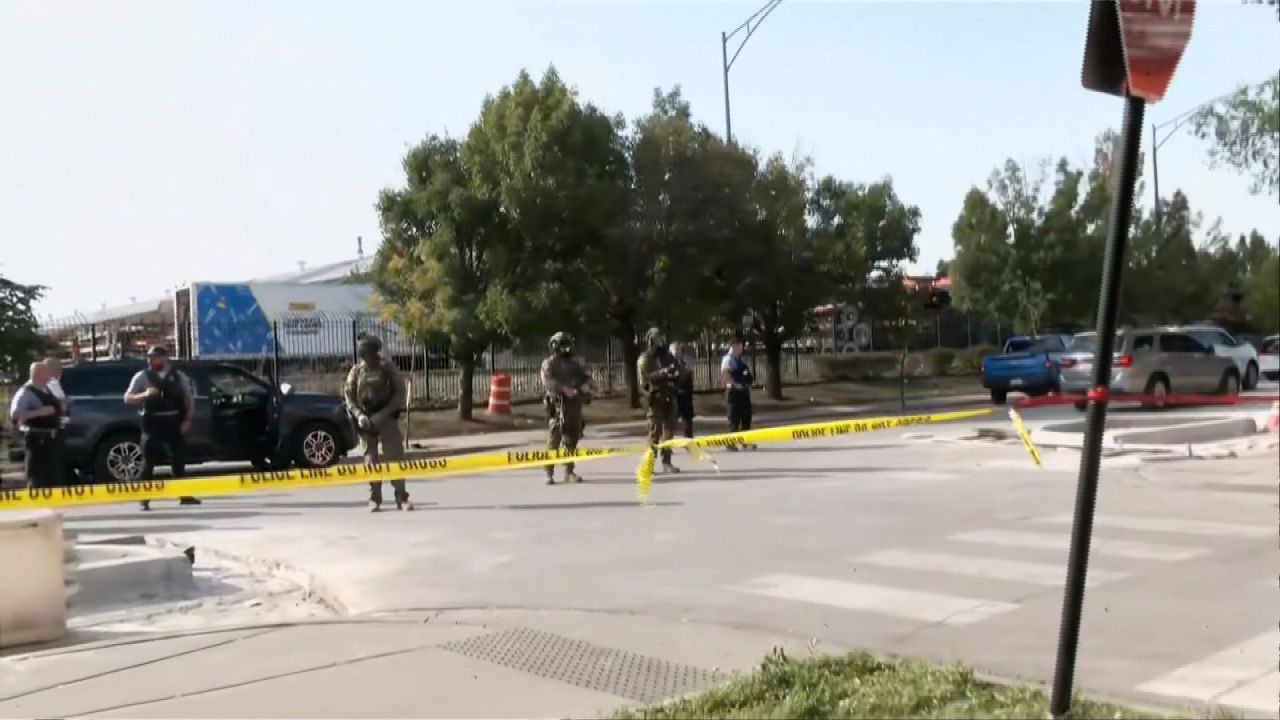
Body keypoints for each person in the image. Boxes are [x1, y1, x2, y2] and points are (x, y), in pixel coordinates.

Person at [123, 346, 201, 510]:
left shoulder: (178, 376)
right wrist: (144, 395)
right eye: (149, 357)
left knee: (178, 459)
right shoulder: (143, 376)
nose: (150, 360)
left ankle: (184, 495)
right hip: (152, 422)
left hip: (173, 420)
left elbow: (189, 399)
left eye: (154, 357)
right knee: (148, 460)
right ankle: (144, 499)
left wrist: (187, 419)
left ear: (165, 358)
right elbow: (127, 398)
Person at [344, 335, 412, 512]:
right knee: (370, 461)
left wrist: (384, 414)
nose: (368, 358)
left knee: (395, 457)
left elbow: (399, 393)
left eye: (371, 354)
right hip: (366, 422)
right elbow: (349, 398)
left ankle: (401, 497)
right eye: (365, 355)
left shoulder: (387, 368)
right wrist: (359, 415)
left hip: (386, 419)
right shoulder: (356, 372)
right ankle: (374, 498)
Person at [540, 332, 593, 485]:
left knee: (572, 440)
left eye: (568, 343)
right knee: (554, 440)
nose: (567, 347)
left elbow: (587, 378)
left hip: (574, 406)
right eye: (563, 344)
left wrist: (587, 385)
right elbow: (548, 380)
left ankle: (569, 471)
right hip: (558, 406)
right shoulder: (549, 363)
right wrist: (564, 389)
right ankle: (549, 472)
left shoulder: (574, 364)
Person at [8, 362, 63, 489]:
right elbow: (15, 415)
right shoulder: (25, 392)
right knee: (37, 477)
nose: (49, 375)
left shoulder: (46, 389)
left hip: (51, 439)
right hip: (36, 440)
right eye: (46, 372)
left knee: (53, 477)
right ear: (39, 374)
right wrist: (40, 412)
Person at [636, 327, 681, 473]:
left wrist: (676, 373)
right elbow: (645, 378)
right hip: (655, 399)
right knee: (655, 431)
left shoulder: (667, 356)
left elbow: (677, 370)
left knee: (669, 431)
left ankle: (667, 462)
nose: (659, 341)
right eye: (656, 339)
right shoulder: (645, 357)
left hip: (670, 396)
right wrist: (662, 373)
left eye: (660, 338)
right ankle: (649, 463)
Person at [721, 336, 758, 451]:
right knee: (734, 418)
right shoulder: (728, 359)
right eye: (740, 346)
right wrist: (735, 384)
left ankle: (745, 440)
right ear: (734, 346)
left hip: (743, 392)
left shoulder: (739, 359)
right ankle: (730, 443)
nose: (742, 348)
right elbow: (725, 373)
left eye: (742, 346)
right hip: (734, 392)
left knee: (746, 416)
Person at [43, 358, 74, 483]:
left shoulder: (49, 384)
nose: (61, 370)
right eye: (58, 367)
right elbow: (61, 405)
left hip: (52, 427)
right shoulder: (52, 384)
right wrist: (66, 403)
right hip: (56, 428)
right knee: (56, 462)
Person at [670, 341, 695, 439]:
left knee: (688, 420)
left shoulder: (685, 364)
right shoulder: (667, 363)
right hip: (672, 396)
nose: (677, 352)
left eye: (678, 350)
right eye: (675, 349)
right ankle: (667, 445)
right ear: (670, 351)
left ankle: (689, 442)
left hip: (685, 396)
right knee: (670, 422)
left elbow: (689, 378)